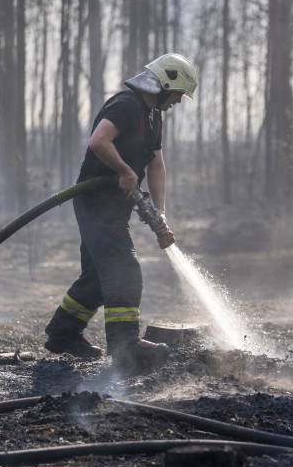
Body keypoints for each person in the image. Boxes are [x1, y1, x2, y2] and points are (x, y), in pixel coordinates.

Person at [43, 53, 198, 367]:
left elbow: (156, 165)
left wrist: (161, 210)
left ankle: (63, 333)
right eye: (178, 94)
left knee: (98, 277)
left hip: (113, 207)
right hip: (96, 202)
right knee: (125, 270)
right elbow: (99, 141)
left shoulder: (153, 116)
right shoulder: (126, 106)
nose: (178, 102)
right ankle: (125, 348)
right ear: (164, 84)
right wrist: (127, 173)